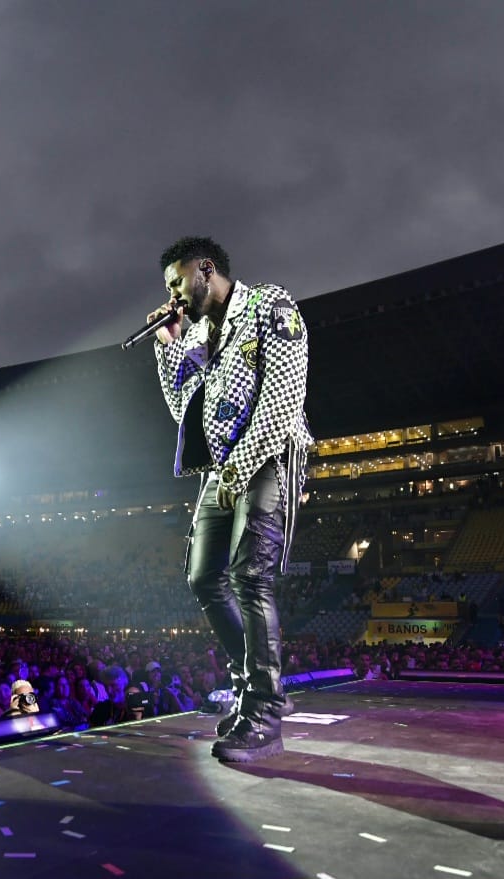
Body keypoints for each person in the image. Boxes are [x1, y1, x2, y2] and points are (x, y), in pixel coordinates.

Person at [149, 236, 312, 762]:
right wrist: (169, 344)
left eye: (177, 281)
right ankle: (250, 681)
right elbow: (184, 412)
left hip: (266, 457)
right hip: (220, 470)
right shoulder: (199, 334)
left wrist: (239, 469)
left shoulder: (270, 304)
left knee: (249, 576)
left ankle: (265, 712)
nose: (174, 293)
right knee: (203, 577)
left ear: (204, 269)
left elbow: (284, 397)